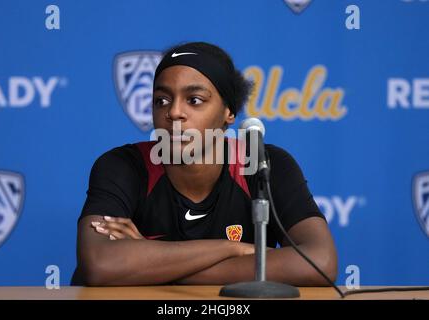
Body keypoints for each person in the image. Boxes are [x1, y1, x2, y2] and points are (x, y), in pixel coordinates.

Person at [71, 42, 337, 286]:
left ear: (228, 112)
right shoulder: (122, 166)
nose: (174, 112)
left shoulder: (263, 164)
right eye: (161, 100)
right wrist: (231, 248)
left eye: (194, 100)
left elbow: (320, 262)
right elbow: (100, 264)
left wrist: (154, 268)